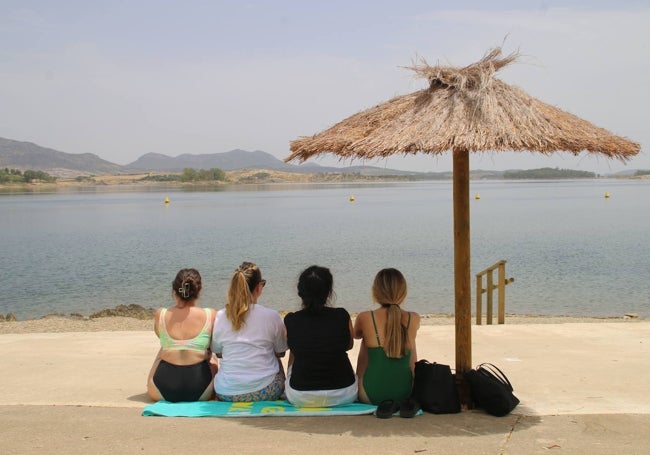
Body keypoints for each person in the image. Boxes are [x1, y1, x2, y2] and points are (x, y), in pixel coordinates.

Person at [212, 261, 288, 401]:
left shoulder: (221, 316)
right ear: (258, 288)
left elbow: (218, 353)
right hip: (265, 390)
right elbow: (281, 351)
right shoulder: (271, 316)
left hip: (226, 392)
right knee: (275, 358)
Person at [283, 265, 358, 407]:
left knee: (295, 351)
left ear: (301, 292)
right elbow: (349, 345)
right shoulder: (342, 315)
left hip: (301, 396)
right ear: (329, 292)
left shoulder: (291, 320)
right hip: (343, 393)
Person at [147, 268, 217, 402]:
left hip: (160, 390)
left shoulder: (161, 314)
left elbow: (159, 336)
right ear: (199, 291)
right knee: (212, 355)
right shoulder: (210, 314)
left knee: (163, 350)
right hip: (201, 391)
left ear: (174, 291)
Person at [353, 268, 421, 408]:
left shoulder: (365, 317)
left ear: (375, 291)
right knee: (409, 340)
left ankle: (359, 380)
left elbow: (355, 335)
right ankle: (411, 380)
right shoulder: (414, 318)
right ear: (403, 292)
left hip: (369, 395)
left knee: (367, 340)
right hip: (405, 394)